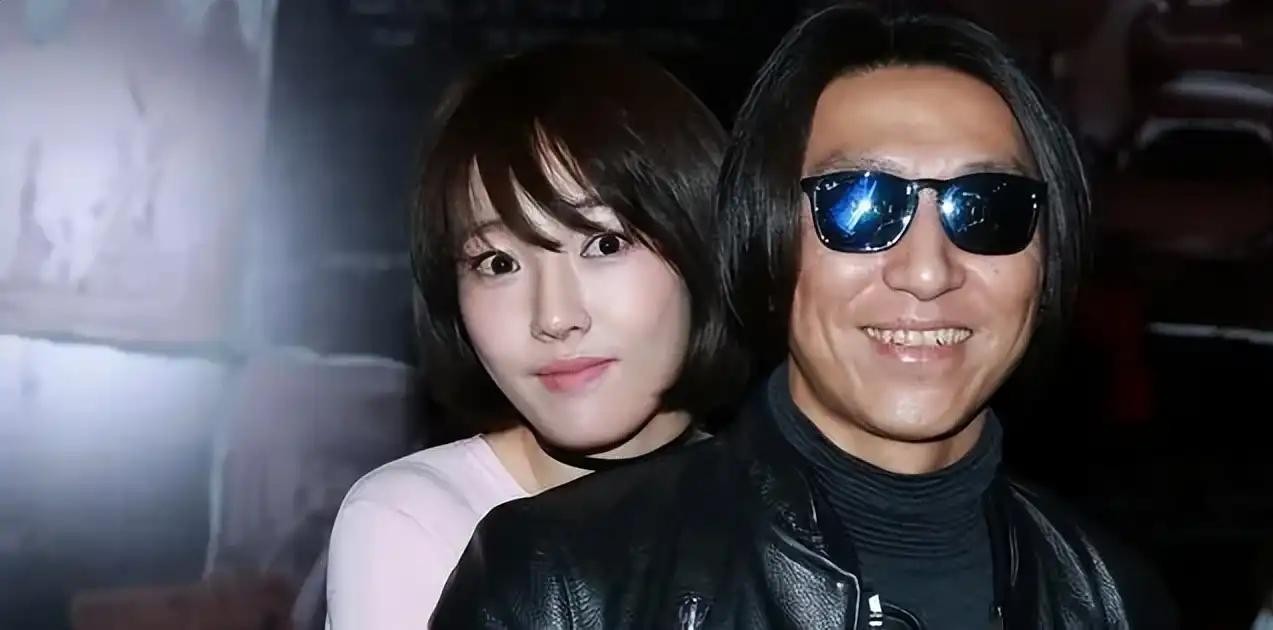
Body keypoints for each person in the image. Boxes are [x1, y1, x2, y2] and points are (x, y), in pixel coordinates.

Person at [432, 4, 1177, 629]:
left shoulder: (1113, 601)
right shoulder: (561, 587)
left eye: (986, 209)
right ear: (764, 239)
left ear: (1046, 262)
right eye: (860, 206)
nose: (927, 271)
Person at [324, 42, 746, 629]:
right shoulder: (416, 522)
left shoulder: (791, 517)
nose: (554, 316)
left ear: (703, 240)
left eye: (604, 244)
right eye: (498, 263)